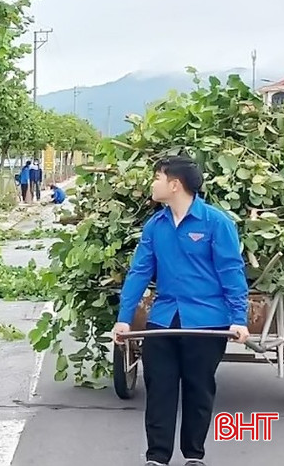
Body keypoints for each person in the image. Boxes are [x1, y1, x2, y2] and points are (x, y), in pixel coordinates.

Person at [112, 155, 249, 466]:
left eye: (156, 178)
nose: (152, 183)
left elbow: (231, 271)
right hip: (163, 319)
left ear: (175, 185)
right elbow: (139, 271)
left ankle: (193, 455)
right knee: (159, 386)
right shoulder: (155, 225)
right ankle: (157, 457)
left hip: (206, 322)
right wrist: (123, 320)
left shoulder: (216, 223)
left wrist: (238, 319)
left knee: (198, 388)